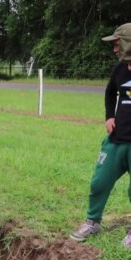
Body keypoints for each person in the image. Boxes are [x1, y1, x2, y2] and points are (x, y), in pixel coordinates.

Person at [70, 23, 131, 247]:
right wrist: (109, 116)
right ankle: (92, 222)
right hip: (116, 139)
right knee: (99, 182)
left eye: (117, 44)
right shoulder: (119, 70)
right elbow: (109, 92)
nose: (115, 49)